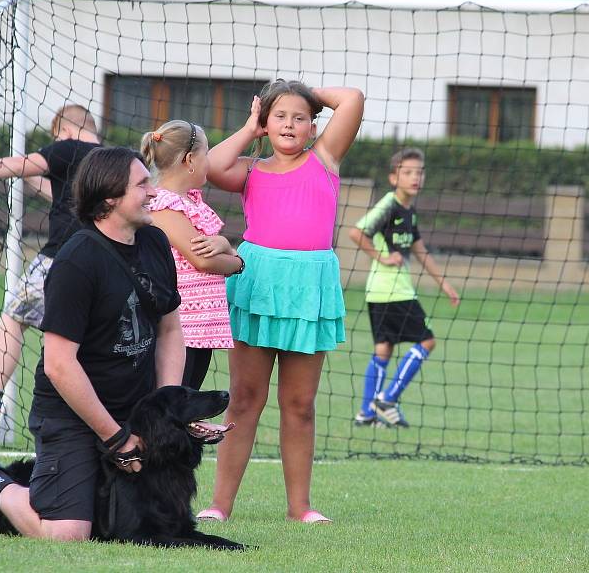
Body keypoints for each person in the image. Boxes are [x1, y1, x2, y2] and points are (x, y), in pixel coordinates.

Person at [0, 146, 185, 540]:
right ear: (110, 197)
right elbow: (58, 363)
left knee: (136, 525)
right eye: (142, 184)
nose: (153, 191)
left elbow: (171, 329)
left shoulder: (155, 243)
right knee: (69, 533)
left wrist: (164, 405)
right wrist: (117, 437)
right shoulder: (76, 261)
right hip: (69, 415)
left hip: (133, 411)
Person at [196, 79, 365, 524]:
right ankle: (219, 506)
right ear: (265, 124)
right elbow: (210, 166)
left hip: (310, 289)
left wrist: (296, 90)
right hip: (258, 286)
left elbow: (352, 100)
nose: (290, 124)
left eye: (300, 117)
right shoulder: (250, 169)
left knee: (299, 403)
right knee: (245, 399)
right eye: (280, 116)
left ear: (313, 127)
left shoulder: (325, 159)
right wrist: (250, 126)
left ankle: (300, 508)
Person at [0, 104, 101, 422]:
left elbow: (19, 163)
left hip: (62, 258)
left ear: (65, 132)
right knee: (89, 340)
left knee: (14, 318)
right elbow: (65, 195)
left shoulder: (66, 148)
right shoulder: (111, 161)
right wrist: (30, 179)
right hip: (104, 262)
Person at [350, 147, 460, 427]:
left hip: (379, 293)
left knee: (383, 350)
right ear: (393, 177)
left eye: (419, 172)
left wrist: (444, 284)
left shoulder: (409, 211)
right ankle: (388, 398)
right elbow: (357, 232)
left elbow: (420, 251)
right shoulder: (390, 204)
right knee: (428, 340)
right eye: (408, 172)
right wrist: (382, 257)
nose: (415, 177)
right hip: (392, 291)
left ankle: (366, 413)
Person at [141, 120, 244, 390]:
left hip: (199, 328)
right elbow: (203, 259)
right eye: (206, 154)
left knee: (188, 404)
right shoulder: (164, 205)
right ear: (189, 160)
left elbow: (213, 249)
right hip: (179, 328)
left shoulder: (191, 202)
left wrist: (223, 245)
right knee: (172, 404)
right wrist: (238, 262)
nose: (208, 161)